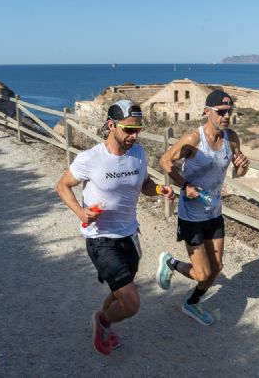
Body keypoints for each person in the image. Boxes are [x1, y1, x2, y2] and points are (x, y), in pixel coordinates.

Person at [56, 99, 175, 355]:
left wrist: (159, 189)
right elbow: (62, 185)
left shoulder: (138, 154)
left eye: (138, 129)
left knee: (122, 288)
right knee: (131, 303)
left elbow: (144, 184)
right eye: (128, 129)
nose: (134, 135)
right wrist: (80, 212)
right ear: (111, 126)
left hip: (130, 235)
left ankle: (102, 318)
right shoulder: (90, 158)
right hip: (101, 239)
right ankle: (103, 321)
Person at [157, 89, 250, 325]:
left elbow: (239, 173)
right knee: (202, 273)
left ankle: (191, 303)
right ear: (207, 112)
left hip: (214, 211)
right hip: (191, 215)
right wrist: (184, 185)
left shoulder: (232, 138)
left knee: (216, 268)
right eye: (221, 112)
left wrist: (243, 165)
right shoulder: (193, 139)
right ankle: (170, 262)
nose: (226, 116)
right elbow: (165, 160)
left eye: (229, 111)